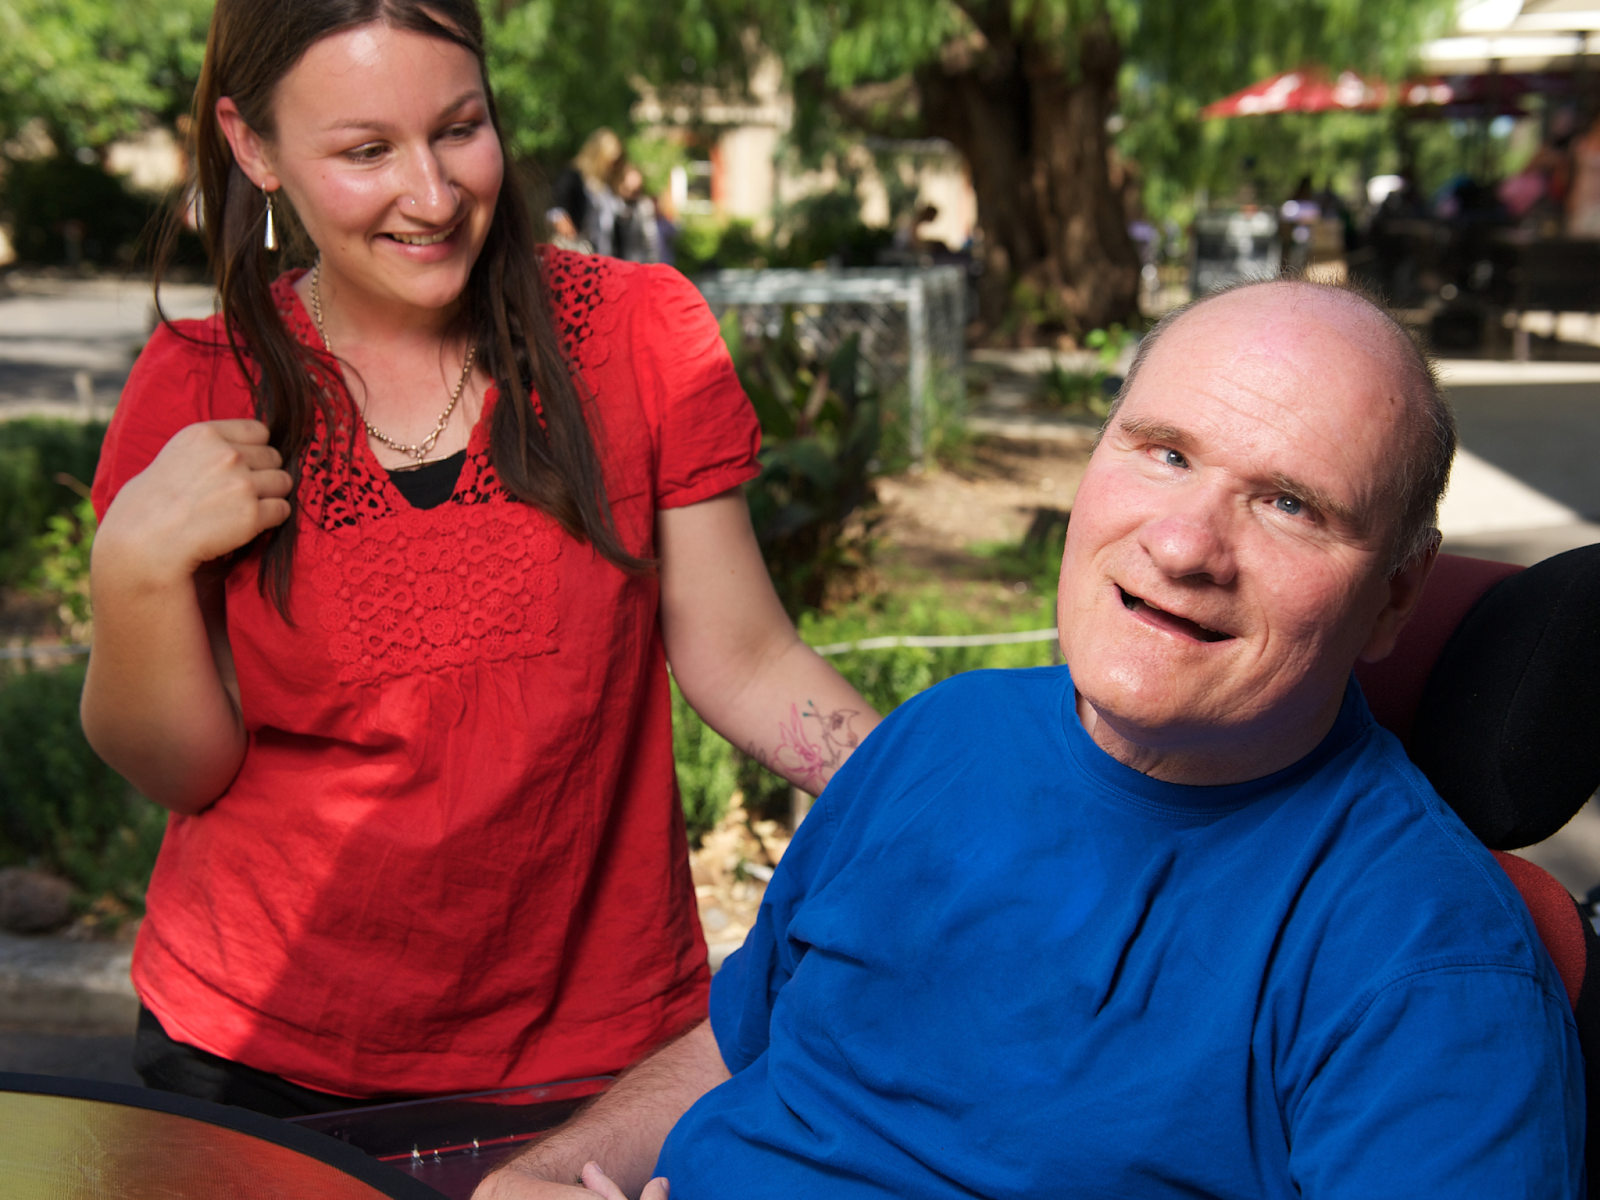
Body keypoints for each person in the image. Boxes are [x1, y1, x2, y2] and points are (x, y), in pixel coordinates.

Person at [474, 280, 1585, 1200]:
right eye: (1162, 452)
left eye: (1288, 504)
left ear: (1395, 596)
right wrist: (552, 1172)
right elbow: (743, 1042)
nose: (1186, 542)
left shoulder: (1426, 971)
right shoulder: (940, 739)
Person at [83, 0, 878, 1116]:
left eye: (458, 128)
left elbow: (745, 660)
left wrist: (934, 801)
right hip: (249, 1048)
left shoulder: (641, 332)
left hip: (595, 1065)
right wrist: (132, 574)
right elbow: (181, 768)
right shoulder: (195, 382)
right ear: (253, 146)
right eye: (365, 151)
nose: (434, 193)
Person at [548, 128, 624, 256]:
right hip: (578, 250)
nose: (613, 166)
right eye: (611, 161)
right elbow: (555, 203)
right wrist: (559, 216)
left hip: (604, 253)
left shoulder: (609, 186)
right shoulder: (574, 176)